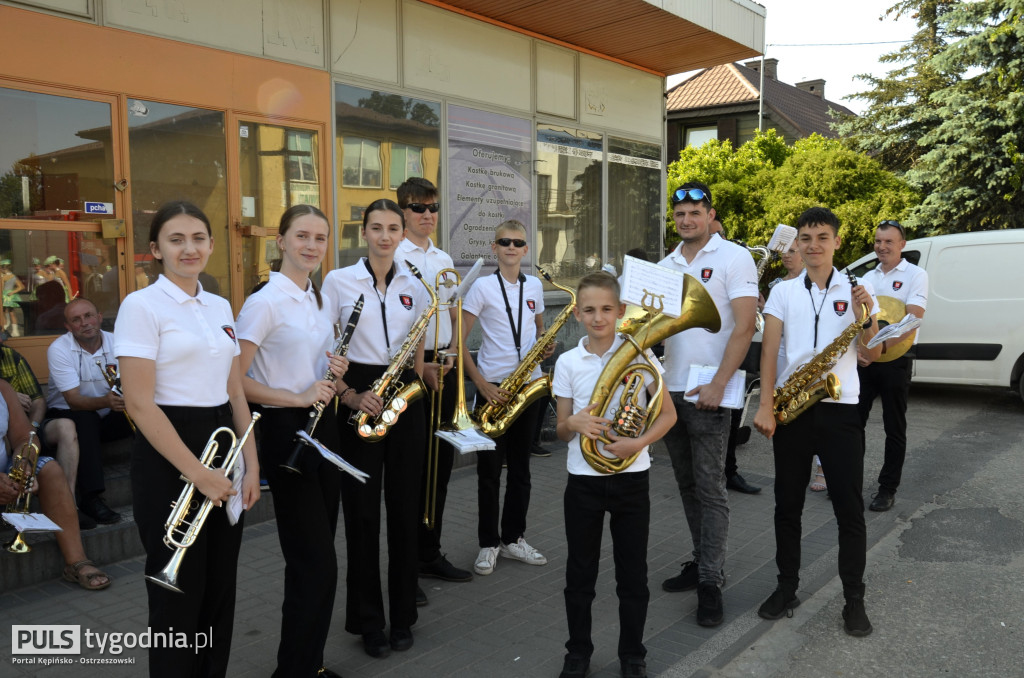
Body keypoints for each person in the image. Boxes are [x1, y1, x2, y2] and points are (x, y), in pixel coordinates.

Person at [115, 200, 261, 677]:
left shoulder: (219, 305)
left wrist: (251, 466)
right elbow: (139, 403)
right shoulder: (141, 306)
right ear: (155, 249)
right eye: (176, 240)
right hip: (171, 458)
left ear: (212, 245)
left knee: (219, 592)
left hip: (223, 452)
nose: (189, 248)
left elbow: (234, 389)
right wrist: (197, 473)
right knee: (177, 602)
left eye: (198, 238)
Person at [753, 206, 881, 637]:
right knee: (786, 505)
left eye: (822, 237)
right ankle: (786, 587)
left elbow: (874, 353)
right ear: (797, 245)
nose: (812, 245)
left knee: (849, 509)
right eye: (805, 239)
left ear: (837, 242)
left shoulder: (858, 291)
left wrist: (869, 316)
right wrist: (765, 405)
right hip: (792, 408)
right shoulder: (784, 291)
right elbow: (769, 351)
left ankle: (854, 600)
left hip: (841, 409)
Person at [236, 204, 348, 678]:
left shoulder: (318, 299)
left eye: (320, 238)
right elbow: (234, 380)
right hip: (285, 433)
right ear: (280, 241)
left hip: (324, 428)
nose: (311, 246)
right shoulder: (264, 302)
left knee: (321, 562)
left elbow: (314, 369)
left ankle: (310, 665)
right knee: (313, 564)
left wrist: (335, 375)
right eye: (301, 236)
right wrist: (297, 395)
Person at [552, 271, 676, 678]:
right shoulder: (568, 361)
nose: (598, 317)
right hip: (583, 479)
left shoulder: (642, 357)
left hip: (631, 478)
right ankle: (578, 652)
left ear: (621, 312)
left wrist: (637, 443)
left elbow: (668, 415)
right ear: (576, 313)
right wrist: (576, 425)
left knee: (633, 575)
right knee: (580, 573)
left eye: (606, 309)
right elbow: (561, 426)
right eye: (589, 310)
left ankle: (632, 656)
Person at [323, 198, 431, 659]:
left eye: (393, 228)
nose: (386, 236)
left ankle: (403, 615)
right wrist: (347, 394)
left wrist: (416, 380)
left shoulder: (416, 281)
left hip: (403, 390)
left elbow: (420, 336)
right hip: (359, 392)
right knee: (363, 515)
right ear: (363, 231)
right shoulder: (337, 281)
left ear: (402, 234)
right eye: (377, 227)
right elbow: (322, 346)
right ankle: (369, 621)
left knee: (405, 511)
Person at [657, 183, 757, 627]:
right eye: (679, 214)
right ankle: (701, 561)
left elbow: (745, 324)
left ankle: (711, 582)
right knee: (687, 486)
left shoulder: (735, 257)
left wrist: (720, 383)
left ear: (710, 215)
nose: (686, 221)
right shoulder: (666, 264)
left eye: (695, 213)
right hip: (672, 392)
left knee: (712, 488)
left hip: (711, 392)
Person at [395, 178, 474, 606]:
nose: (427, 214)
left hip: (444, 365)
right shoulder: (396, 255)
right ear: (402, 212)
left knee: (440, 466)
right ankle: (406, 562)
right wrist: (419, 366)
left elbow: (450, 313)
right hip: (412, 370)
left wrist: (453, 355)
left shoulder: (442, 258)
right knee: (413, 471)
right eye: (417, 207)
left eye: (433, 207)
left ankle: (430, 551)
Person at [462, 219, 553, 577]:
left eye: (518, 243)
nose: (511, 248)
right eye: (505, 242)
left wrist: (545, 344)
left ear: (526, 250)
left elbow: (541, 327)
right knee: (488, 473)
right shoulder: (483, 287)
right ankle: (488, 543)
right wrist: (481, 384)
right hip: (494, 388)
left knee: (521, 470)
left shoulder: (534, 286)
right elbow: (459, 342)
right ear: (494, 248)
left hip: (527, 387)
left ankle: (513, 538)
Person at [0, 378, 112, 590]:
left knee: (49, 469)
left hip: (5, 471)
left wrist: (23, 464)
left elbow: (25, 437)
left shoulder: (2, 388)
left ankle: (76, 562)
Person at [857, 219, 928, 512]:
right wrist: (864, 351)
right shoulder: (866, 278)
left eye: (888, 242)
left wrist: (881, 348)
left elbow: (913, 319)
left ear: (902, 245)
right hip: (864, 361)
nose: (882, 246)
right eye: (878, 241)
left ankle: (887, 489)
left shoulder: (916, 274)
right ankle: (849, 483)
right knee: (852, 425)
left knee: (894, 428)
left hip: (895, 361)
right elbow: (857, 320)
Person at [45, 298, 132, 526]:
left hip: (106, 413)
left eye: (89, 316)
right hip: (68, 414)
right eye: (76, 320)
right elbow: (73, 401)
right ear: (68, 327)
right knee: (84, 419)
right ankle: (91, 498)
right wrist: (107, 401)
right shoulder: (59, 349)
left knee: (146, 410)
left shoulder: (118, 342)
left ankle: (159, 480)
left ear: (99, 317)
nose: (85, 323)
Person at [0, 338, 85, 526]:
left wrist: (30, 433)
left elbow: (38, 401)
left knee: (73, 424)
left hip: (26, 430)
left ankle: (70, 504)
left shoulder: (11, 357)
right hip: (8, 438)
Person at [708, 217, 761, 496]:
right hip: (707, 357)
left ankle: (730, 471)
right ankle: (717, 475)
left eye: (719, 236)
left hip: (733, 353)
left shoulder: (732, 262)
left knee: (733, 415)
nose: (716, 242)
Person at [768, 246, 826, 493]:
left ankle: (822, 469)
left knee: (817, 416)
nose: (787, 255)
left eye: (792, 250)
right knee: (792, 419)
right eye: (784, 251)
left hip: (808, 361)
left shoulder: (814, 283)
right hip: (781, 358)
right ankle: (794, 472)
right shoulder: (777, 285)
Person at [1, 259, 25, 336]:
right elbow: (21, 287)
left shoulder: (3, 277)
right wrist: (13, 292)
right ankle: (15, 331)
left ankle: (4, 328)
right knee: (12, 313)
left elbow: (1, 289)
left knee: (3, 313)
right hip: (11, 296)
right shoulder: (14, 277)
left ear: (4, 268)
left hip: (4, 296)